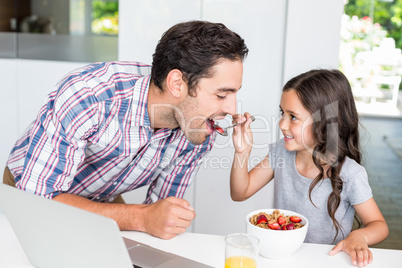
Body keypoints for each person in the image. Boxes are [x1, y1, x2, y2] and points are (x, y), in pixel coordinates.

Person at [4, 20, 249, 239]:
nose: (231, 108)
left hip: (101, 197)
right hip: (31, 191)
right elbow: (38, 200)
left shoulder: (196, 130)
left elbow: (160, 212)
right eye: (221, 94)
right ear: (177, 84)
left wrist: (160, 219)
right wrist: (139, 218)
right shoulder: (90, 96)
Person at [230, 69, 389, 267]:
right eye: (282, 113)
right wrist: (241, 152)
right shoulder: (281, 152)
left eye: (293, 117)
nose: (282, 124)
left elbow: (379, 226)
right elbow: (240, 192)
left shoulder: (350, 173)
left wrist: (360, 236)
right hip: (284, 260)